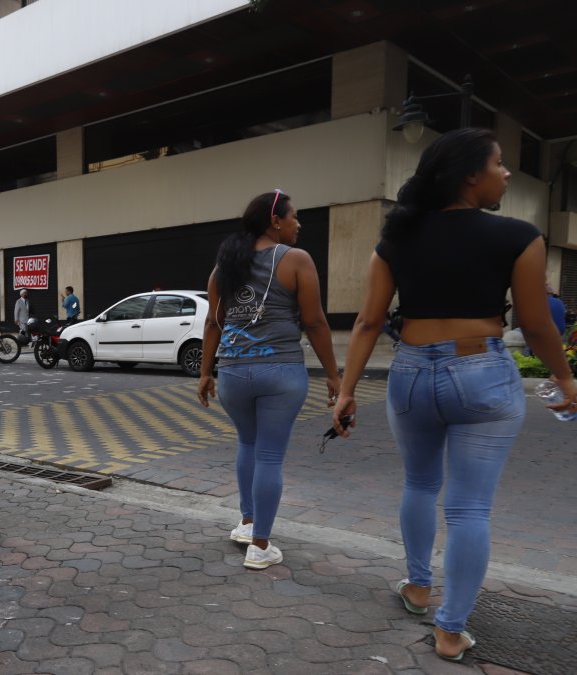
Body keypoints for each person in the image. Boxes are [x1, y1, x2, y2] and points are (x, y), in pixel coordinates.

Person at [331, 128, 577, 663]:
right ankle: (450, 629)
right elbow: (536, 325)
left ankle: (417, 587)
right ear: (471, 174)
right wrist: (566, 378)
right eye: (500, 164)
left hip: (411, 371)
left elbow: (369, 320)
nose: (507, 174)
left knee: (420, 485)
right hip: (481, 370)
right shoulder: (518, 236)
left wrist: (346, 392)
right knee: (469, 509)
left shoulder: (396, 239)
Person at [197, 189, 340, 570]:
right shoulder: (295, 260)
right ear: (275, 220)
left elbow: (214, 323)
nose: (299, 224)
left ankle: (247, 524)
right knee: (270, 456)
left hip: (231, 372)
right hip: (280, 372)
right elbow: (314, 322)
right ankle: (261, 546)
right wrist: (333, 375)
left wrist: (205, 372)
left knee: (247, 443)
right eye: (294, 217)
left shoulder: (223, 267)